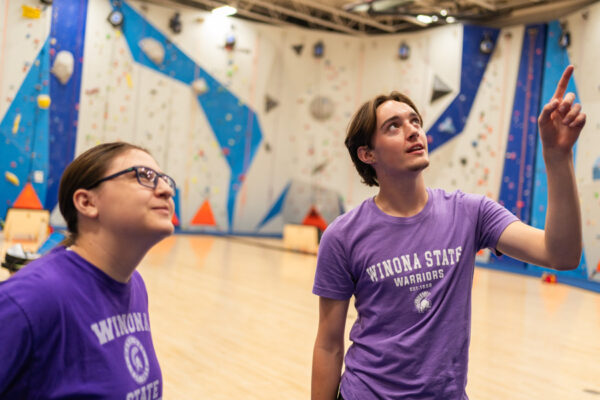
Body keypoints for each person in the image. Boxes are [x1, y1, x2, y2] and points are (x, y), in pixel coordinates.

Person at [311, 65, 586, 400]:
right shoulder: (343, 235)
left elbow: (560, 254)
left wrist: (558, 158)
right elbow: (328, 344)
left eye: (415, 122)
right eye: (393, 127)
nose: (412, 131)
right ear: (368, 154)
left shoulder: (471, 213)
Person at [0, 142, 176, 399]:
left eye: (163, 179)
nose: (166, 190)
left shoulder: (134, 284)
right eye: (144, 176)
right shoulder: (31, 298)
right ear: (87, 202)